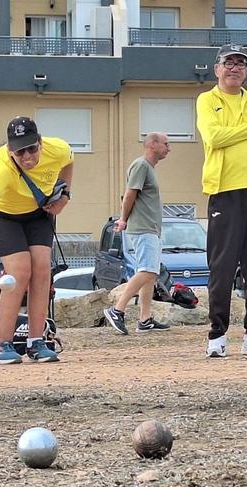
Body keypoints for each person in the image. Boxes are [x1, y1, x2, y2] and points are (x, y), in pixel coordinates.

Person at [0, 116, 73, 364]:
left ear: (40, 143)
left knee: (43, 269)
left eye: (31, 149)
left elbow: (69, 161)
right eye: (19, 151)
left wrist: (64, 195)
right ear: (10, 151)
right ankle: (1, 344)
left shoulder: (57, 149)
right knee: (20, 271)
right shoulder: (1, 167)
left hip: (37, 213)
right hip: (3, 216)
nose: (27, 157)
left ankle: (36, 341)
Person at [196, 44, 247, 358]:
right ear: (217, 68)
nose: (235, 69)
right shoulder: (207, 100)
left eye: (240, 65)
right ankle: (217, 335)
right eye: (228, 63)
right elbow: (214, 137)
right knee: (222, 264)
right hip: (224, 189)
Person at [102, 132, 172, 335]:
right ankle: (117, 310)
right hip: (143, 228)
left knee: (150, 274)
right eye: (166, 144)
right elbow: (130, 194)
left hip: (150, 228)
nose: (169, 148)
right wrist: (123, 219)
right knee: (148, 271)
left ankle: (145, 319)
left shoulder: (148, 168)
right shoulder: (141, 166)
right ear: (152, 144)